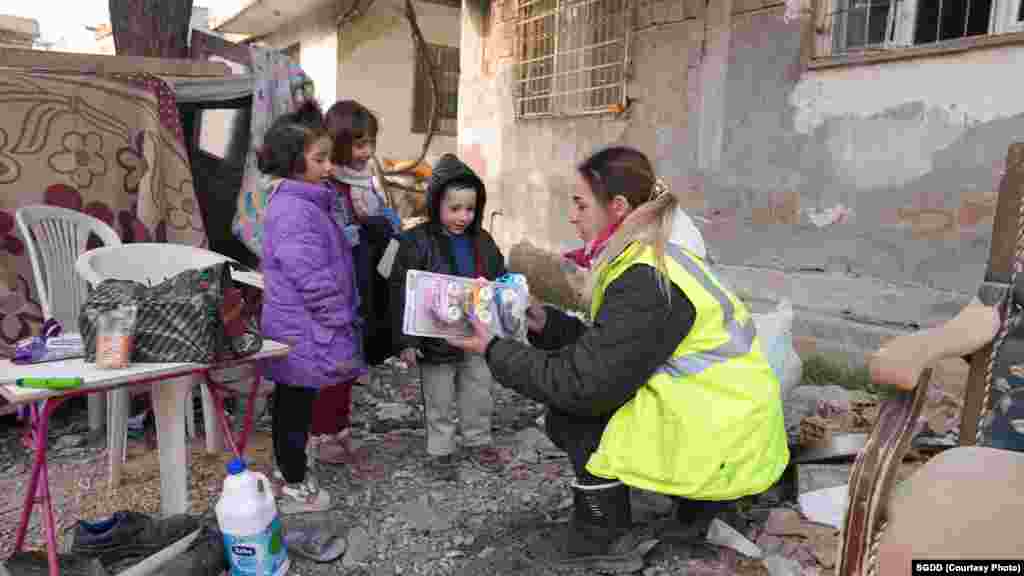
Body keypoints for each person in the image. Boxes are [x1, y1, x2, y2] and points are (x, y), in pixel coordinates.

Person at [446, 146, 789, 567]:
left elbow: (582, 385)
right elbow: (615, 346)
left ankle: (604, 537)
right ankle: (697, 510)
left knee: (574, 414)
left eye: (580, 204)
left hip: (725, 440)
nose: (572, 216)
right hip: (730, 419)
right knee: (596, 394)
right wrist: (545, 323)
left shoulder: (647, 277)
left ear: (619, 207)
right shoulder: (651, 253)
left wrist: (493, 349)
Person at [258, 101, 368, 514]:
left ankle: (292, 471)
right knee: (293, 407)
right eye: (319, 159)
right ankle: (293, 482)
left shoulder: (304, 203)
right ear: (292, 163)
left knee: (295, 404)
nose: (327, 167)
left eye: (327, 158)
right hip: (301, 329)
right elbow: (309, 274)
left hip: (300, 328)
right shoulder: (294, 209)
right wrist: (336, 315)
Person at [390, 153, 507, 481]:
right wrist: (407, 341)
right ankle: (440, 449)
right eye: (454, 208)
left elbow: (500, 277)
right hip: (435, 340)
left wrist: (508, 295)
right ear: (435, 203)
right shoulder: (416, 242)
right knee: (438, 397)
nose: (463, 216)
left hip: (476, 334)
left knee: (478, 390)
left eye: (470, 209)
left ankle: (478, 439)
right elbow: (402, 292)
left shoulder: (483, 242)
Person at [304, 100, 401, 465]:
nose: (368, 152)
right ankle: (321, 432)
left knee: (350, 360)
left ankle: (340, 427)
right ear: (339, 144)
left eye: (370, 142)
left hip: (363, 285)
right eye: (359, 145)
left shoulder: (365, 183)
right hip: (336, 288)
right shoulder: (327, 187)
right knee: (330, 362)